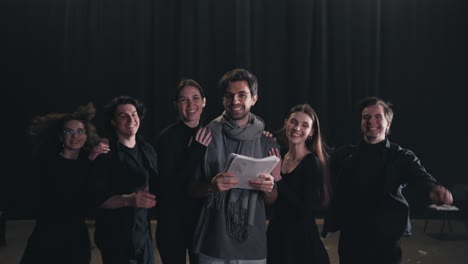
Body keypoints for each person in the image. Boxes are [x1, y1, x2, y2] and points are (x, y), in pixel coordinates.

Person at [322, 96, 453, 264]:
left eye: (378, 117)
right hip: (352, 236)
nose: (371, 121)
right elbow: (321, 167)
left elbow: (421, 178)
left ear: (388, 124)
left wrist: (434, 190)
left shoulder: (402, 156)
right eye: (366, 117)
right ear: (361, 122)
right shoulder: (345, 155)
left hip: (386, 239)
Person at [189, 68, 280, 264]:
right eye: (229, 96)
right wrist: (211, 187)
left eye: (242, 95)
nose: (235, 101)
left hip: (252, 241)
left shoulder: (267, 142)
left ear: (254, 98)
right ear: (223, 100)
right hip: (213, 240)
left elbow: (272, 200)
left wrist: (269, 188)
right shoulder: (205, 136)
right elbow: (190, 189)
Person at [20, 103, 110, 264]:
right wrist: (91, 159)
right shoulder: (49, 161)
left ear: (86, 134)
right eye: (69, 132)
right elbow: (66, 189)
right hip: (49, 234)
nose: (75, 136)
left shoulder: (87, 160)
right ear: (61, 136)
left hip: (77, 234)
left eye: (80, 131)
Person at [92, 96, 158, 264]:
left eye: (134, 114)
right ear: (113, 122)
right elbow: (97, 199)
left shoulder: (146, 149)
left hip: (142, 235)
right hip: (116, 239)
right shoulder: (105, 152)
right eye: (123, 115)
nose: (131, 119)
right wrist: (129, 200)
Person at [155, 79, 211, 264]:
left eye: (195, 98)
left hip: (201, 223)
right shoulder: (166, 138)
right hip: (172, 224)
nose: (190, 104)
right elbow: (168, 187)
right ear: (176, 105)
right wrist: (195, 151)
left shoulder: (212, 133)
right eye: (183, 100)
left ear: (203, 102)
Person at [266, 104, 330, 264]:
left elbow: (305, 209)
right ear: (286, 122)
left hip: (301, 243)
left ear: (311, 132)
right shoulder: (277, 154)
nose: (297, 128)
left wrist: (278, 179)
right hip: (275, 237)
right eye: (293, 122)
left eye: (304, 125)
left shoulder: (311, 163)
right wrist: (264, 139)